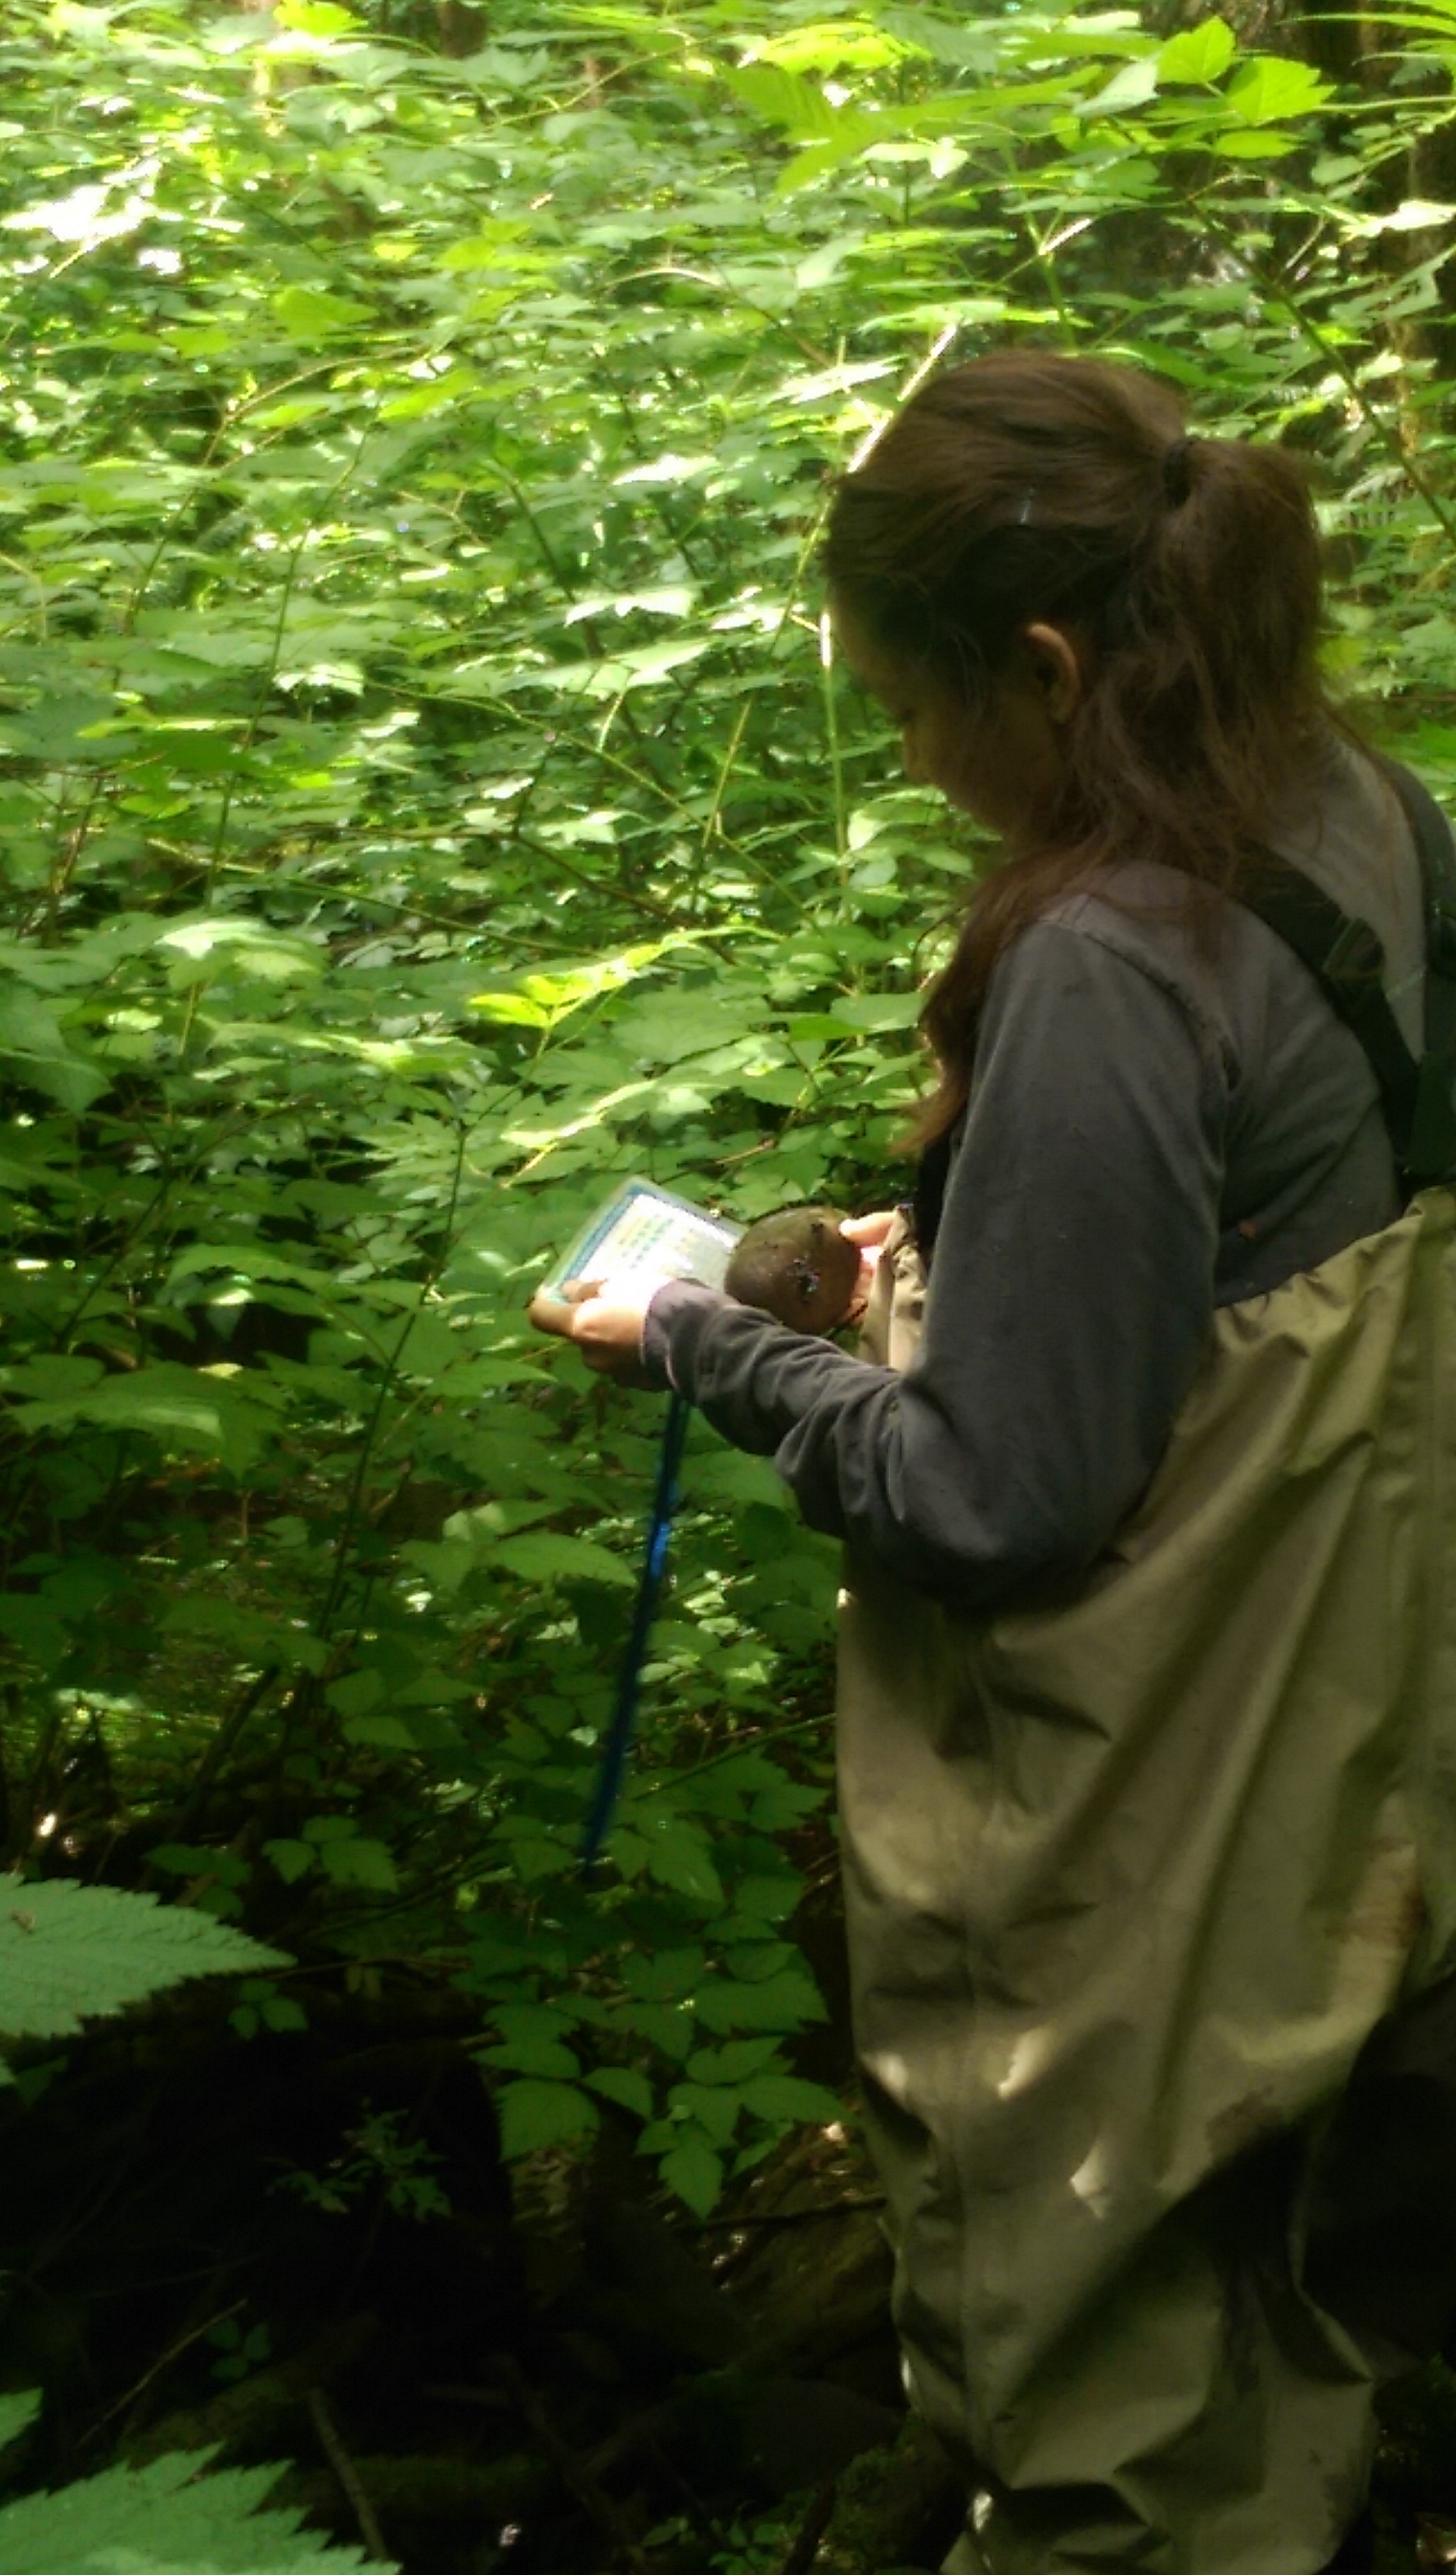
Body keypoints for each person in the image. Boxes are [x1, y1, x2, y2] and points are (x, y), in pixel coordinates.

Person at [529, 352, 1456, 2573]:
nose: (918, 766)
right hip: (1351, 1712)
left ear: (1039, 667)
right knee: (1282, 2240)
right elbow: (1309, 1225)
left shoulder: (1111, 958)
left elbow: (994, 1502)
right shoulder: (1361, 805)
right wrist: (975, 1243)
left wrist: (703, 1346)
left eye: (906, 707)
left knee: (1095, 2348)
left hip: (1151, 1772)